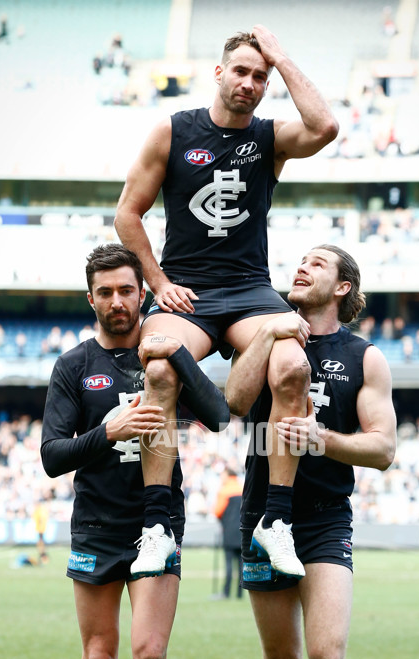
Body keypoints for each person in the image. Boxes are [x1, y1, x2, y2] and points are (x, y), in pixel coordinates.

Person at [114, 26, 338, 582]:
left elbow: (325, 127)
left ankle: (276, 521)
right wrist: (158, 281)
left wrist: (282, 57)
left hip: (249, 289)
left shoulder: (267, 138)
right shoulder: (172, 132)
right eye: (241, 71)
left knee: (292, 364)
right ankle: (158, 526)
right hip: (186, 289)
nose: (251, 83)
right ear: (219, 73)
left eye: (260, 76)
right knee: (160, 369)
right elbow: (127, 215)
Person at [40, 243, 229, 659]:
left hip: (158, 523)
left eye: (127, 289)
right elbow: (51, 457)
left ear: (142, 292)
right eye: (106, 292)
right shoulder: (73, 366)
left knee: (150, 656)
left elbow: (220, 415)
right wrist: (106, 431)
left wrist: (176, 349)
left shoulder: (165, 352)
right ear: (90, 297)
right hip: (96, 526)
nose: (118, 301)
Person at [225, 244, 397, 659]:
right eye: (300, 260)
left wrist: (321, 439)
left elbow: (383, 449)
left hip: (324, 518)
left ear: (344, 287)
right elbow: (234, 402)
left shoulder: (365, 357)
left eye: (318, 263)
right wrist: (269, 335)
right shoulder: (265, 332)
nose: (302, 267)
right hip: (262, 514)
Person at [213, 467, 244, 599]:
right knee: (241, 564)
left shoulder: (224, 491)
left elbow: (217, 511)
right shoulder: (242, 489)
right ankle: (239, 593)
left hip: (229, 532)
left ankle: (226, 592)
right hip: (242, 531)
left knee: (229, 564)